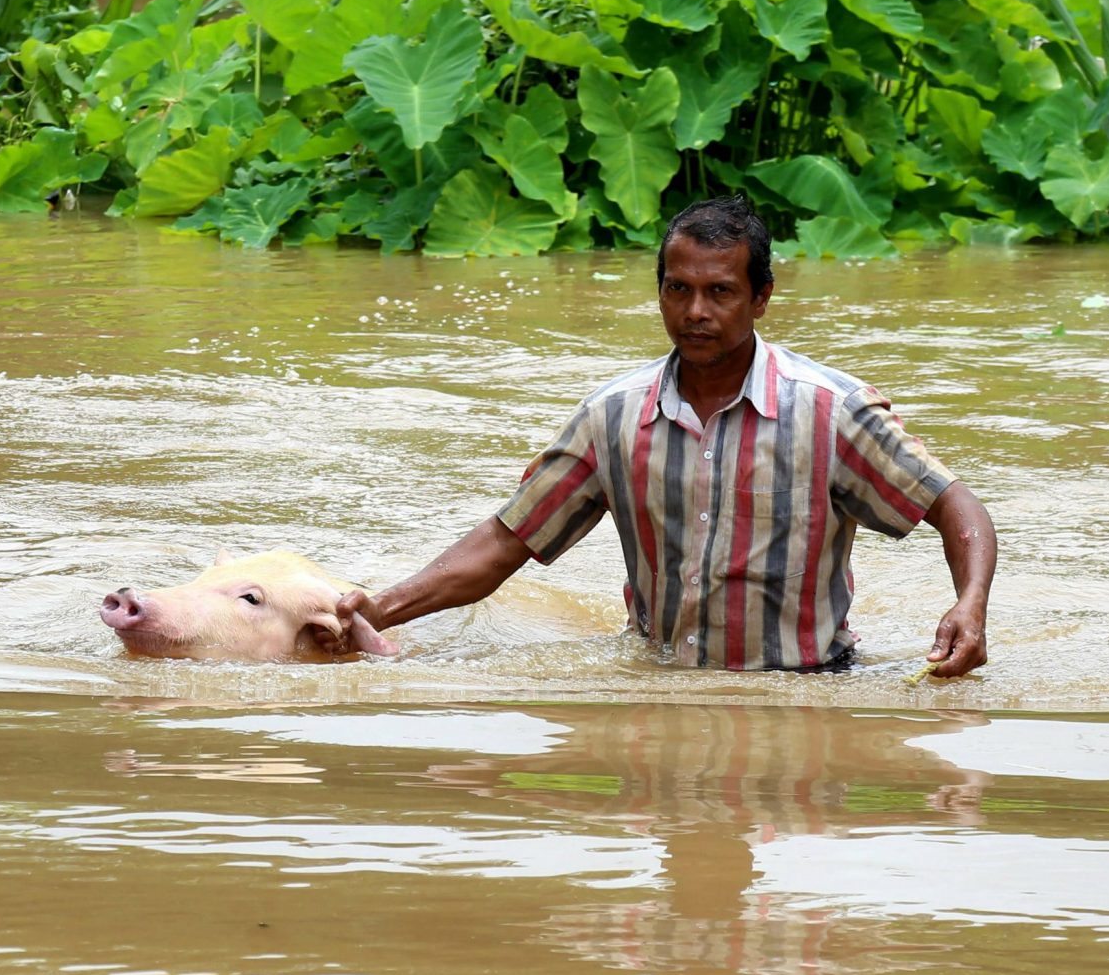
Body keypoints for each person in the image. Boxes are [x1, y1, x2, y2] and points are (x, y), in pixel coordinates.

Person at [337, 196, 995, 676]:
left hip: (805, 687)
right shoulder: (613, 417)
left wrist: (970, 605)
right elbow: (505, 542)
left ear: (761, 296)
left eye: (720, 292)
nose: (696, 312)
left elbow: (955, 506)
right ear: (659, 291)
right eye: (678, 289)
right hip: (659, 688)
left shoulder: (832, 413)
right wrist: (378, 610)